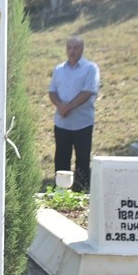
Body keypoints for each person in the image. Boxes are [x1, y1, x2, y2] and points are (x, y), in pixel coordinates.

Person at [48, 36, 100, 192]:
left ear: (82, 49)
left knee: (82, 159)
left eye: (75, 48)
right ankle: (61, 191)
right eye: (69, 47)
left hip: (82, 123)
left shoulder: (90, 68)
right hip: (62, 123)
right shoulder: (59, 69)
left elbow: (88, 92)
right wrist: (60, 106)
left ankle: (81, 191)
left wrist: (68, 107)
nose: (72, 51)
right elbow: (52, 91)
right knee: (61, 158)